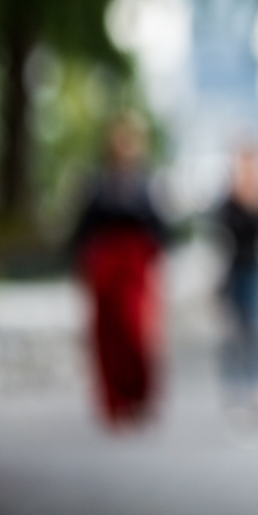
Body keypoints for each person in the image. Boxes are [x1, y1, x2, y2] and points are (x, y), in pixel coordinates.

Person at [71, 110, 167, 427]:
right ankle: (114, 401)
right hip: (105, 268)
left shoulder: (145, 184)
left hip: (134, 269)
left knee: (136, 333)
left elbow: (159, 230)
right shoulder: (97, 182)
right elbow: (83, 229)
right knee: (107, 336)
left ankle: (138, 397)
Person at [214, 143, 258, 408]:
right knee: (236, 332)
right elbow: (223, 231)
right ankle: (238, 388)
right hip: (235, 271)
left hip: (257, 270)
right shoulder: (230, 199)